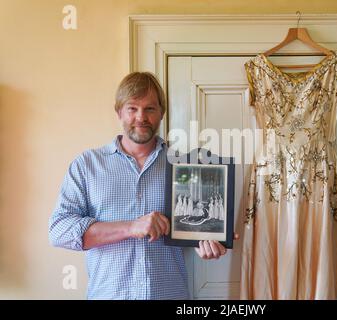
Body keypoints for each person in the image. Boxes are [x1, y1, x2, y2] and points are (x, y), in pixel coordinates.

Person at [48, 72, 232, 300]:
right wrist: (130, 227)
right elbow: (59, 231)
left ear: (161, 113)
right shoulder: (87, 165)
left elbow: (193, 224)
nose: (141, 117)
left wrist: (204, 240)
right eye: (132, 108)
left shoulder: (186, 167)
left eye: (150, 109)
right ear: (119, 112)